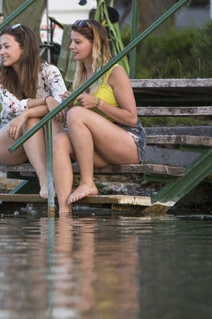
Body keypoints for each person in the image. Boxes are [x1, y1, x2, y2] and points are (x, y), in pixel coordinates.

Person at [52, 18, 144, 209]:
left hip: (128, 142)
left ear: (95, 45)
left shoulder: (115, 72)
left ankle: (88, 183)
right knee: (59, 140)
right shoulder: (80, 77)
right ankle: (63, 210)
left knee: (76, 114)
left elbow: (131, 118)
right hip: (99, 147)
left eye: (78, 42)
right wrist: (68, 106)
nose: (71, 47)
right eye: (71, 42)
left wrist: (97, 103)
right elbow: (81, 122)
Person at [0, 23, 69, 200]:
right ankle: (45, 180)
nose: (1, 52)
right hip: (11, 140)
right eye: (0, 47)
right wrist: (46, 101)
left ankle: (55, 180)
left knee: (38, 119)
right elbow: (14, 107)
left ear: (24, 48)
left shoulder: (49, 71)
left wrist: (27, 113)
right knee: (31, 121)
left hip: (44, 137)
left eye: (6, 46)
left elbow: (62, 104)